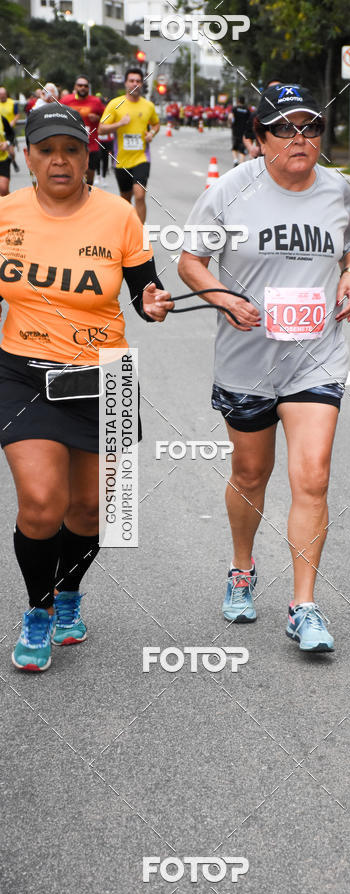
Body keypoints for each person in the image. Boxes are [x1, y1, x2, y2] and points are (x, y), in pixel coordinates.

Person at [176, 83, 350, 653]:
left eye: (309, 127)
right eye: (284, 128)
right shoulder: (230, 192)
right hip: (247, 363)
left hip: (316, 358)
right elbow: (189, 261)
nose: (299, 138)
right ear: (258, 140)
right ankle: (241, 567)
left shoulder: (337, 190)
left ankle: (303, 605)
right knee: (251, 474)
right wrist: (225, 299)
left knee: (313, 476)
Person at [0, 105, 172, 672]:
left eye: (70, 150)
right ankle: (39, 609)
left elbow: (147, 292)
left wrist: (152, 304)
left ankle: (71, 590)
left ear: (87, 158)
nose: (58, 160)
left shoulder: (119, 214)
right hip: (21, 371)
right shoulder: (6, 214)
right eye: (46, 149)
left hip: (105, 377)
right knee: (42, 504)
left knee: (95, 509)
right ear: (28, 157)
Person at [98, 68, 160, 223]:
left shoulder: (148, 106)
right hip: (122, 160)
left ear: (142, 84)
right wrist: (119, 123)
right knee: (125, 200)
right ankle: (127, 232)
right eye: (131, 80)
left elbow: (156, 124)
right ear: (126, 83)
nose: (135, 84)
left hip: (141, 158)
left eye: (138, 81)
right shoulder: (115, 104)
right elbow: (101, 129)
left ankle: (139, 233)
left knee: (140, 194)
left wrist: (151, 134)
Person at [62, 75, 105, 185]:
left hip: (91, 145)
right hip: (71, 144)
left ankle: (87, 197)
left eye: (85, 86)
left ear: (88, 88)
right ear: (75, 87)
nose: (83, 88)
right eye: (80, 85)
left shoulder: (96, 102)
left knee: (89, 179)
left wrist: (98, 118)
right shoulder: (66, 100)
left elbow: (107, 118)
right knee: (75, 176)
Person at [229, 95, 250, 166]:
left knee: (235, 146)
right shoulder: (247, 110)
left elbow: (230, 117)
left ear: (238, 101)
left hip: (235, 130)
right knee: (242, 148)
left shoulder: (234, 109)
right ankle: (241, 164)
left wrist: (231, 123)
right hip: (244, 131)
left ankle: (235, 160)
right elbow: (249, 120)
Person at [0, 112, 16, 196]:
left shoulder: (2, 118)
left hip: (2, 159)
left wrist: (7, 143)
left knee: (3, 190)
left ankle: (10, 203)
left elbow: (11, 134)